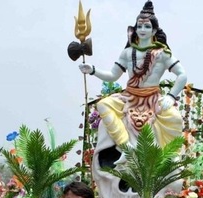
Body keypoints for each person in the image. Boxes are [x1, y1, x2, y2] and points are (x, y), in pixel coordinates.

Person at [79, 0, 186, 163]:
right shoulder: (128, 53)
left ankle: (170, 157)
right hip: (130, 97)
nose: (142, 30)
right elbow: (113, 76)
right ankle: (126, 147)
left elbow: (182, 75)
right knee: (103, 104)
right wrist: (92, 70)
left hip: (152, 98)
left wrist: (171, 96)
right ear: (135, 29)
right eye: (140, 26)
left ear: (154, 30)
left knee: (175, 118)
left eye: (147, 26)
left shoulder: (163, 53)